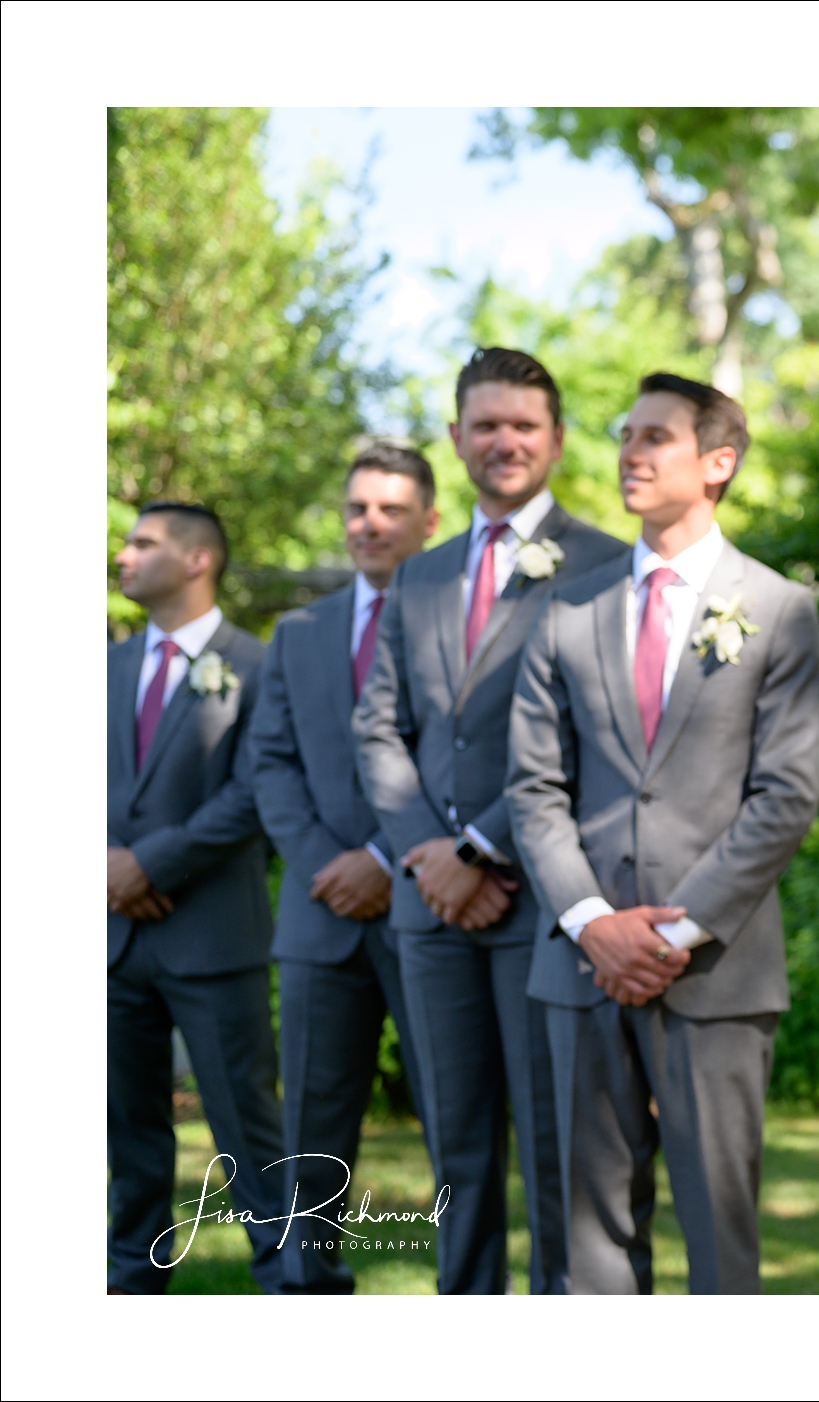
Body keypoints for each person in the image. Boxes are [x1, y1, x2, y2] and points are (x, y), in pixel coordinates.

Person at [508, 373, 819, 1294]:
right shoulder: (565, 611)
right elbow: (534, 788)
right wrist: (592, 923)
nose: (631, 453)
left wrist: (671, 932)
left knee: (719, 1236)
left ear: (717, 461)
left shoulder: (777, 609)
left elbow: (785, 795)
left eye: (658, 437)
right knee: (588, 1237)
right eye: (625, 434)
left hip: (717, 969)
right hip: (581, 964)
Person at [354, 348, 625, 1294]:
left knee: (559, 1146)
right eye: (485, 424)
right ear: (458, 436)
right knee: (454, 1149)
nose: (503, 441)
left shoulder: (606, 566)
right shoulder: (419, 576)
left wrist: (482, 849)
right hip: (429, 909)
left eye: (523, 425)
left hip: (543, 902)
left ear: (554, 439)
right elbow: (380, 727)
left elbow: (599, 737)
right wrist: (430, 856)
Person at [248, 443, 440, 1293]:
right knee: (312, 1119)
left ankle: (470, 1287)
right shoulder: (299, 632)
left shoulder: (461, 620)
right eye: (358, 507)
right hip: (320, 908)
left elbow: (470, 760)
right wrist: (333, 863)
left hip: (436, 903)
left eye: (391, 509)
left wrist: (384, 857)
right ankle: (305, 1281)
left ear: (429, 522)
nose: (371, 523)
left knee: (454, 1113)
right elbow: (270, 764)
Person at [107, 502, 286, 1293]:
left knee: (248, 1132)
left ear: (197, 559)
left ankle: (293, 1282)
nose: (124, 555)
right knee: (128, 1135)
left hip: (212, 939)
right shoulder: (101, 666)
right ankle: (129, 1291)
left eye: (142, 543)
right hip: (111, 939)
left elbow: (257, 791)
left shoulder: (258, 664)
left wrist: (149, 864)